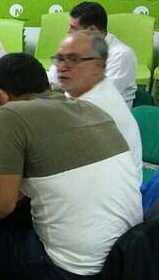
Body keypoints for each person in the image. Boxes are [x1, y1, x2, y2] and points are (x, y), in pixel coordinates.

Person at [0, 53, 142, 280]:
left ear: (1, 95)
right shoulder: (87, 107)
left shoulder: (12, 114)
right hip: (124, 261)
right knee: (18, 218)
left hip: (76, 272)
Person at [52, 30, 143, 176]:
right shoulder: (86, 87)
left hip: (113, 190)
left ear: (98, 66)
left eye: (73, 59)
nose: (62, 67)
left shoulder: (95, 107)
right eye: (59, 58)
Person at [47, 1, 137, 107]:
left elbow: (99, 96)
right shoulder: (78, 47)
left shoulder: (121, 55)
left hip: (105, 116)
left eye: (73, 28)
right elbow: (53, 78)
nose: (68, 31)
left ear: (92, 30)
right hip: (76, 109)